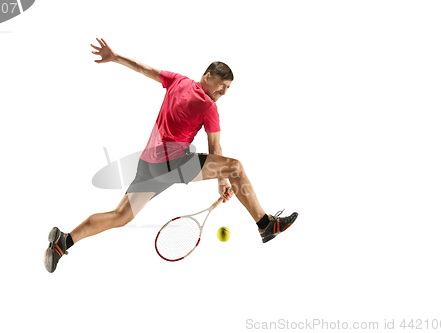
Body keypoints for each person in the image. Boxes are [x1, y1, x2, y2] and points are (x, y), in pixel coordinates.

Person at [43, 38, 298, 273]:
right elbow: (215, 149)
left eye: (228, 88)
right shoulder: (209, 107)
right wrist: (222, 182)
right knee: (235, 167)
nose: (224, 93)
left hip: (148, 163)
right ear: (207, 77)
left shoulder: (178, 80)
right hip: (172, 163)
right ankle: (265, 223)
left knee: (119, 216)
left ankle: (63, 242)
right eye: (222, 86)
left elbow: (146, 70)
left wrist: (116, 57)